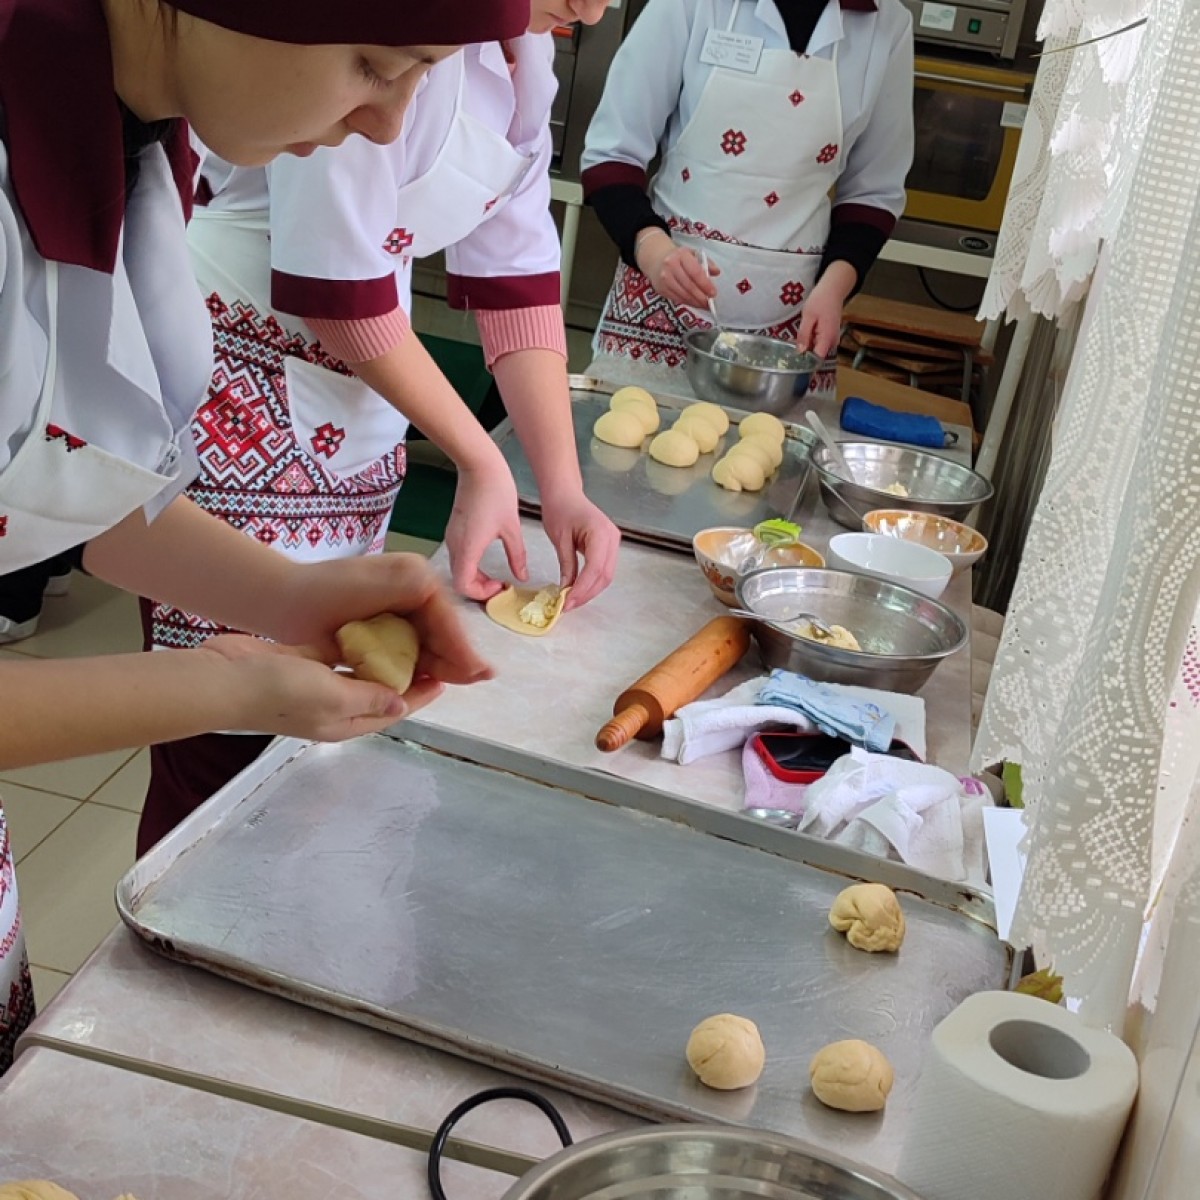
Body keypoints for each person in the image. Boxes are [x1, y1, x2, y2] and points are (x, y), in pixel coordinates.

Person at [0, 0, 527, 1073]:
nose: (388, 124)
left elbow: (54, 479)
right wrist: (222, 686)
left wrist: (292, 598)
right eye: (373, 63)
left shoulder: (136, 138)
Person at [137, 0, 622, 852]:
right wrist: (481, 460)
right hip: (235, 398)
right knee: (221, 745)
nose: (590, 8)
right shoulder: (386, 29)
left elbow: (516, 275)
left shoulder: (523, 59)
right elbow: (336, 286)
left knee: (313, 728)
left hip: (352, 419)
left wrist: (562, 487)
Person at [580, 0, 914, 396]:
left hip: (793, 332)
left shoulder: (887, 24)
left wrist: (835, 288)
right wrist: (652, 250)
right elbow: (612, 153)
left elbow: (874, 192)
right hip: (660, 303)